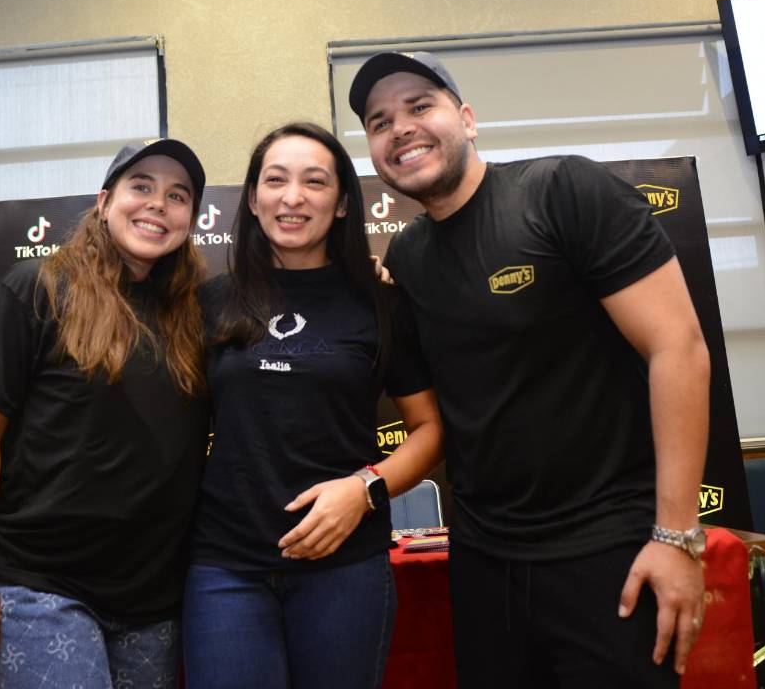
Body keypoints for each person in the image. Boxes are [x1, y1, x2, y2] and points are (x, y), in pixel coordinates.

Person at [348, 52, 711, 688]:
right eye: (379, 122)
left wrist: (677, 535)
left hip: (610, 549)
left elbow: (677, 348)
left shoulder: (564, 190)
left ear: (467, 119)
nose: (400, 128)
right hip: (485, 560)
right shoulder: (407, 256)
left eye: (419, 106)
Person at [182, 121, 445, 689]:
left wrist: (365, 489)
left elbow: (429, 429)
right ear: (254, 200)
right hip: (226, 566)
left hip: (344, 566)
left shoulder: (382, 303)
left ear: (343, 203)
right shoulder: (210, 303)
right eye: (276, 180)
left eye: (315, 181)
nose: (293, 197)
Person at [0, 138, 211, 688]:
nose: (158, 203)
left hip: (154, 600)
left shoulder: (199, 315)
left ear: (190, 220)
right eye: (141, 186)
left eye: (177, 195)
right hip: (40, 588)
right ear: (103, 201)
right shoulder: (36, 289)